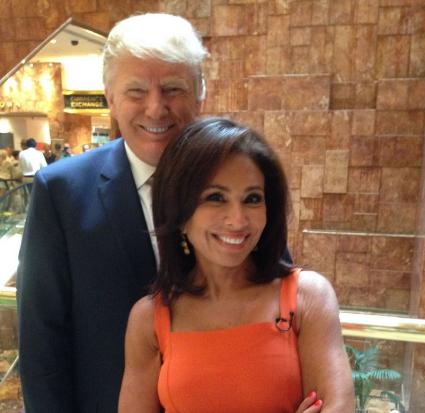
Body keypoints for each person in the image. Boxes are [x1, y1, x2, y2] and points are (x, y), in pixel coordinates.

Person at [16, 13, 208, 413]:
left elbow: (274, 289)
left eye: (173, 88)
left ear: (200, 94)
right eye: (136, 90)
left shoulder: (238, 180)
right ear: (111, 99)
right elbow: (42, 341)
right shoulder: (62, 192)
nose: (156, 108)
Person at [118, 118, 355, 413]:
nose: (238, 220)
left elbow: (338, 406)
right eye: (216, 197)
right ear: (179, 214)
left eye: (252, 198)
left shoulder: (307, 297)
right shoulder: (150, 319)